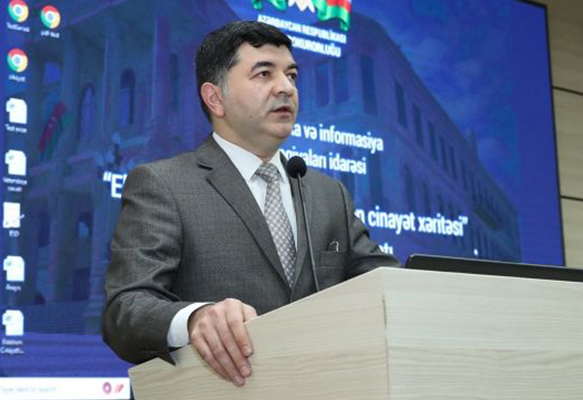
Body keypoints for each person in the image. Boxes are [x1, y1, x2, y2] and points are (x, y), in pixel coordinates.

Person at [102, 20, 399, 387]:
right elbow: (125, 309)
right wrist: (193, 320)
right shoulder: (163, 184)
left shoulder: (328, 194)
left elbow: (386, 283)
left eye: (292, 75)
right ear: (215, 98)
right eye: (264, 74)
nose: (286, 88)